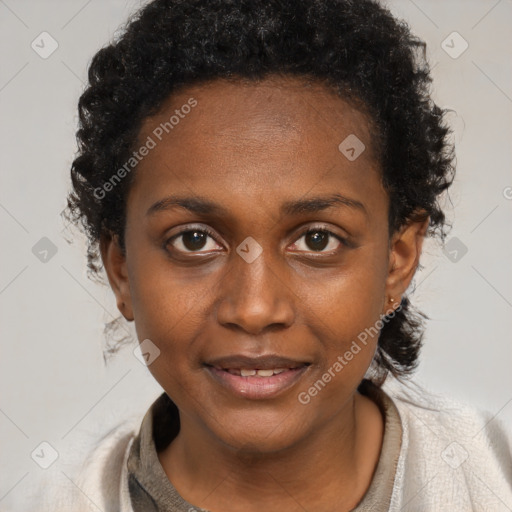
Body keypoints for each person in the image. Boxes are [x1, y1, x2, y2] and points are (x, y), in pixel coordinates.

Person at [46, 0, 511, 510]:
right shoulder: (55, 498)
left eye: (317, 240)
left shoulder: (492, 477)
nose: (254, 309)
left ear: (397, 261)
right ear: (122, 270)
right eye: (194, 240)